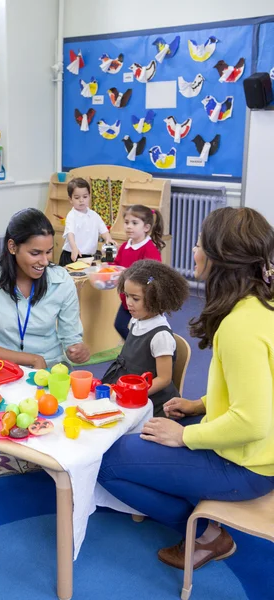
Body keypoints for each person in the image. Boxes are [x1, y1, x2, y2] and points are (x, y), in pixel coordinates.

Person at [98, 207, 274, 571]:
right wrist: (198, 405)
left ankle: (205, 533)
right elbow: (258, 389)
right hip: (257, 454)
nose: (193, 252)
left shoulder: (239, 325)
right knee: (140, 446)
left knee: (107, 461)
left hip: (249, 464)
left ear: (218, 259)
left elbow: (253, 421)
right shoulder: (262, 309)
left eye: (197, 244)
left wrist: (184, 437)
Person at [0, 208, 90, 369]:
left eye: (49, 252)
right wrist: (32, 359)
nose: (44, 261)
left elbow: (71, 338)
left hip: (49, 369)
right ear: (12, 247)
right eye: (35, 253)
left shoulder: (61, 280)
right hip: (2, 369)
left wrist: (78, 349)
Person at [102, 260, 189, 417]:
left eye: (135, 299)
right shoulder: (138, 320)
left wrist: (133, 394)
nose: (128, 303)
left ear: (155, 299)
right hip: (129, 391)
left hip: (152, 405)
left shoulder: (160, 336)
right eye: (127, 296)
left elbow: (164, 378)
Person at [113, 205, 165, 340]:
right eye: (126, 222)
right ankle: (134, 346)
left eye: (134, 223)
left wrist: (129, 275)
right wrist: (107, 270)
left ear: (146, 228)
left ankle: (139, 348)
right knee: (119, 325)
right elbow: (117, 265)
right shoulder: (125, 246)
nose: (129, 226)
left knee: (143, 330)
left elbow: (154, 276)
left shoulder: (149, 249)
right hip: (127, 298)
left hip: (143, 300)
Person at [59, 177, 116, 267]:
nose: (81, 200)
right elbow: (70, 234)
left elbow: (103, 230)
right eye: (77, 197)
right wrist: (74, 248)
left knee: (86, 279)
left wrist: (108, 238)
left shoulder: (94, 215)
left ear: (89, 196)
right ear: (70, 199)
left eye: (85, 197)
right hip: (71, 254)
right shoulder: (72, 215)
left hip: (88, 257)